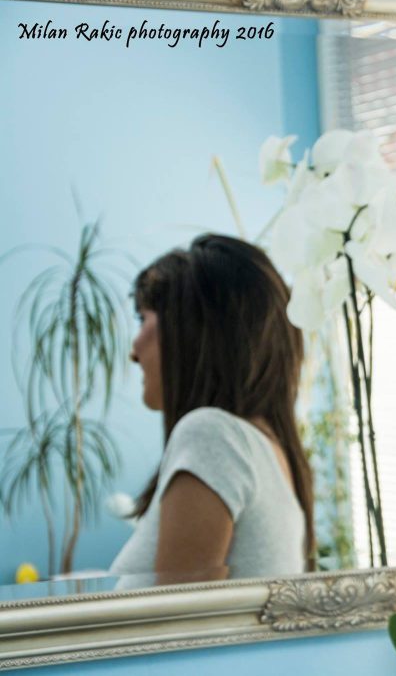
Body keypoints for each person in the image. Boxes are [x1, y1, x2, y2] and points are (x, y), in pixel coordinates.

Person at [109, 234, 315, 583]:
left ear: (188, 329)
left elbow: (178, 616)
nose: (133, 351)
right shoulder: (266, 448)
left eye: (143, 319)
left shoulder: (213, 436)